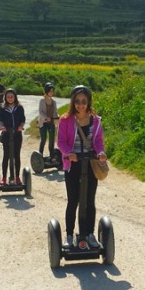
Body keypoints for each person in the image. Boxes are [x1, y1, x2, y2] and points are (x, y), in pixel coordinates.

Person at [57, 85, 107, 249]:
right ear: (73, 102)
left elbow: (98, 140)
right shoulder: (66, 120)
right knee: (73, 201)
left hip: (90, 163)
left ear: (88, 102)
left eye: (84, 101)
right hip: (73, 164)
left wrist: (100, 152)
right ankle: (70, 235)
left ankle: (89, 234)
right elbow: (61, 141)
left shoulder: (96, 120)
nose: (80, 105)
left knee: (89, 201)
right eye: (77, 101)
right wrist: (68, 153)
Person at [0, 88, 25, 186]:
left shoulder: (19, 108)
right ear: (5, 97)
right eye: (8, 97)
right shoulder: (2, 108)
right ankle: (4, 178)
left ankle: (17, 177)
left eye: (12, 97)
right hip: (6, 134)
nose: (10, 98)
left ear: (15, 97)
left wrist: (21, 126)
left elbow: (22, 119)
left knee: (16, 156)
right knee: (6, 156)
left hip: (17, 134)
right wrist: (2, 127)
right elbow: (0, 120)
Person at [38, 82, 59, 162]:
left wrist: (57, 117)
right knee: (43, 139)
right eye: (50, 91)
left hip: (51, 123)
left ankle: (52, 156)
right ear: (46, 91)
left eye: (52, 91)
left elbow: (55, 112)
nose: (51, 93)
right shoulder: (42, 101)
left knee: (51, 140)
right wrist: (46, 118)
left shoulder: (54, 102)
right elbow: (40, 112)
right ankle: (40, 155)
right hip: (43, 122)